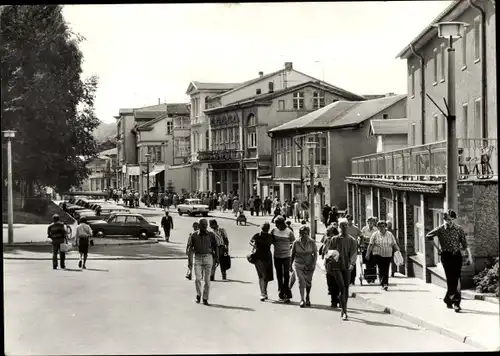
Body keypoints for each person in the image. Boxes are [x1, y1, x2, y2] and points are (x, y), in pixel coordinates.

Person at [426, 209, 472, 312]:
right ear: (445, 219)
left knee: (456, 278)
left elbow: (465, 244)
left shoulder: (459, 229)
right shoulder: (441, 229)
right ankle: (450, 299)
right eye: (447, 219)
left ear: (454, 219)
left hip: (457, 256)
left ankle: (454, 302)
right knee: (450, 278)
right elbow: (428, 235)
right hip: (446, 256)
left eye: (451, 219)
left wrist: (469, 257)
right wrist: (438, 249)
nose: (449, 221)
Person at [323, 218, 357, 320]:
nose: (344, 227)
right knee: (342, 287)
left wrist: (352, 264)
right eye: (342, 226)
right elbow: (330, 252)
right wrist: (331, 260)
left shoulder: (352, 240)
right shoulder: (334, 239)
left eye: (345, 225)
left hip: (347, 266)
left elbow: (354, 254)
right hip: (337, 267)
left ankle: (343, 308)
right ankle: (344, 311)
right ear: (339, 227)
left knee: (346, 288)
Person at [187, 219, 219, 305]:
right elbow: (190, 249)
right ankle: (198, 294)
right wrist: (189, 263)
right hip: (198, 257)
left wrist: (217, 258)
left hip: (208, 257)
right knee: (198, 278)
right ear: (199, 225)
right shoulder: (194, 235)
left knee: (207, 280)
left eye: (206, 225)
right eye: (203, 225)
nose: (205, 226)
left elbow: (215, 246)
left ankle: (205, 298)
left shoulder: (211, 235)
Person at [365, 220, 400, 291]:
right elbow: (371, 245)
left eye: (383, 226)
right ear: (377, 227)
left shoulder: (390, 234)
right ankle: (384, 284)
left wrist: (398, 251)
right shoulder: (375, 234)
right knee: (381, 268)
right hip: (378, 254)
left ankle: (384, 283)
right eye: (380, 227)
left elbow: (394, 244)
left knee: (386, 269)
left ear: (385, 227)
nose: (381, 228)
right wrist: (367, 254)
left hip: (388, 254)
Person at [290, 225, 318, 307]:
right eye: (301, 233)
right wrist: (290, 265)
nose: (303, 235)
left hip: (309, 264)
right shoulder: (296, 242)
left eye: (305, 233)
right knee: (301, 281)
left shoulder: (312, 242)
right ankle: (302, 299)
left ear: (308, 233)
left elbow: (315, 254)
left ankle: (307, 296)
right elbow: (292, 254)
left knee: (308, 282)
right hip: (298, 263)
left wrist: (313, 263)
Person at [271, 216, 295, 303]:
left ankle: (286, 291)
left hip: (286, 256)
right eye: (275, 224)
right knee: (279, 274)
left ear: (282, 223)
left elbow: (293, 242)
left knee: (286, 274)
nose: (276, 226)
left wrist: (289, 247)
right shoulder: (274, 230)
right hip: (277, 255)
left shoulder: (289, 231)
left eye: (277, 224)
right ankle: (281, 291)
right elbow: (271, 240)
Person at [250, 222, 274, 301]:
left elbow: (276, 242)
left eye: (266, 228)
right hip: (258, 257)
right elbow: (251, 241)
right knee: (262, 275)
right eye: (264, 227)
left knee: (265, 276)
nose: (265, 229)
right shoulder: (257, 236)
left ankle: (264, 292)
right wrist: (254, 245)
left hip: (267, 257)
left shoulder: (270, 236)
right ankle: (262, 293)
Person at [321, 225, 340, 308]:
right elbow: (324, 250)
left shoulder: (339, 240)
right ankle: (334, 300)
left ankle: (336, 299)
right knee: (331, 280)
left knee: (336, 281)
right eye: (329, 233)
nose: (330, 235)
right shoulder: (327, 239)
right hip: (329, 262)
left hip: (337, 261)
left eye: (332, 233)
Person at [346, 214, 363, 285]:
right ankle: (348, 279)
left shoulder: (356, 228)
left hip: (354, 248)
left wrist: (360, 244)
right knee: (347, 263)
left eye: (350, 219)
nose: (349, 221)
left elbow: (361, 236)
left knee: (353, 263)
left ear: (351, 220)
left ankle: (352, 279)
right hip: (346, 248)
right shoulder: (344, 228)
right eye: (347, 220)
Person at [360, 217, 378, 283]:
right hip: (366, 247)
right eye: (369, 223)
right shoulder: (364, 229)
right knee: (367, 263)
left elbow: (377, 237)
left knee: (373, 263)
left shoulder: (376, 229)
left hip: (373, 248)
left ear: (373, 223)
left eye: (372, 223)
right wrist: (363, 241)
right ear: (367, 223)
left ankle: (373, 277)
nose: (370, 224)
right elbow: (361, 237)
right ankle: (368, 277)